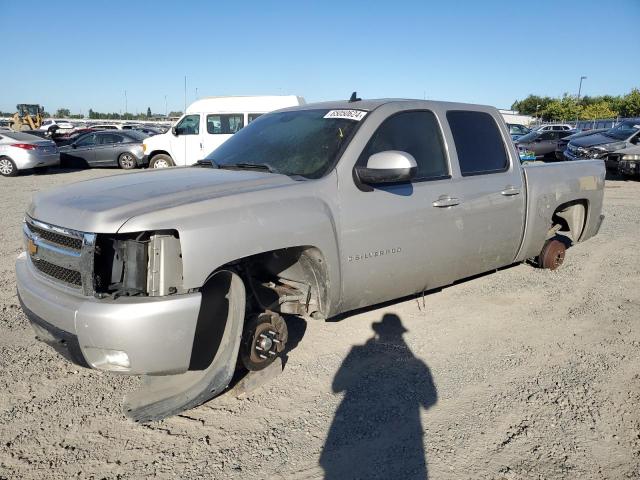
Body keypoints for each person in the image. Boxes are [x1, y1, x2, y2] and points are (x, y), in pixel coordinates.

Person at [320, 314, 438, 479]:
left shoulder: (357, 351)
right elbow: (430, 400)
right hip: (399, 436)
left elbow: (336, 386)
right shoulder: (417, 365)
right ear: (400, 334)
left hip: (357, 431)